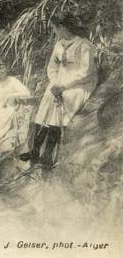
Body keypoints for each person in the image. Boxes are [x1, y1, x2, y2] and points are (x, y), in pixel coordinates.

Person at [19, 14, 98, 168]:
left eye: (55, 28)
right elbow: (52, 68)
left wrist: (63, 86)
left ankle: (47, 155)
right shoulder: (59, 45)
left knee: (61, 103)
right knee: (47, 101)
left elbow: (86, 72)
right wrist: (55, 83)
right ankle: (34, 150)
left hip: (80, 83)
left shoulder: (84, 45)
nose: (54, 31)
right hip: (60, 81)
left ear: (63, 27)